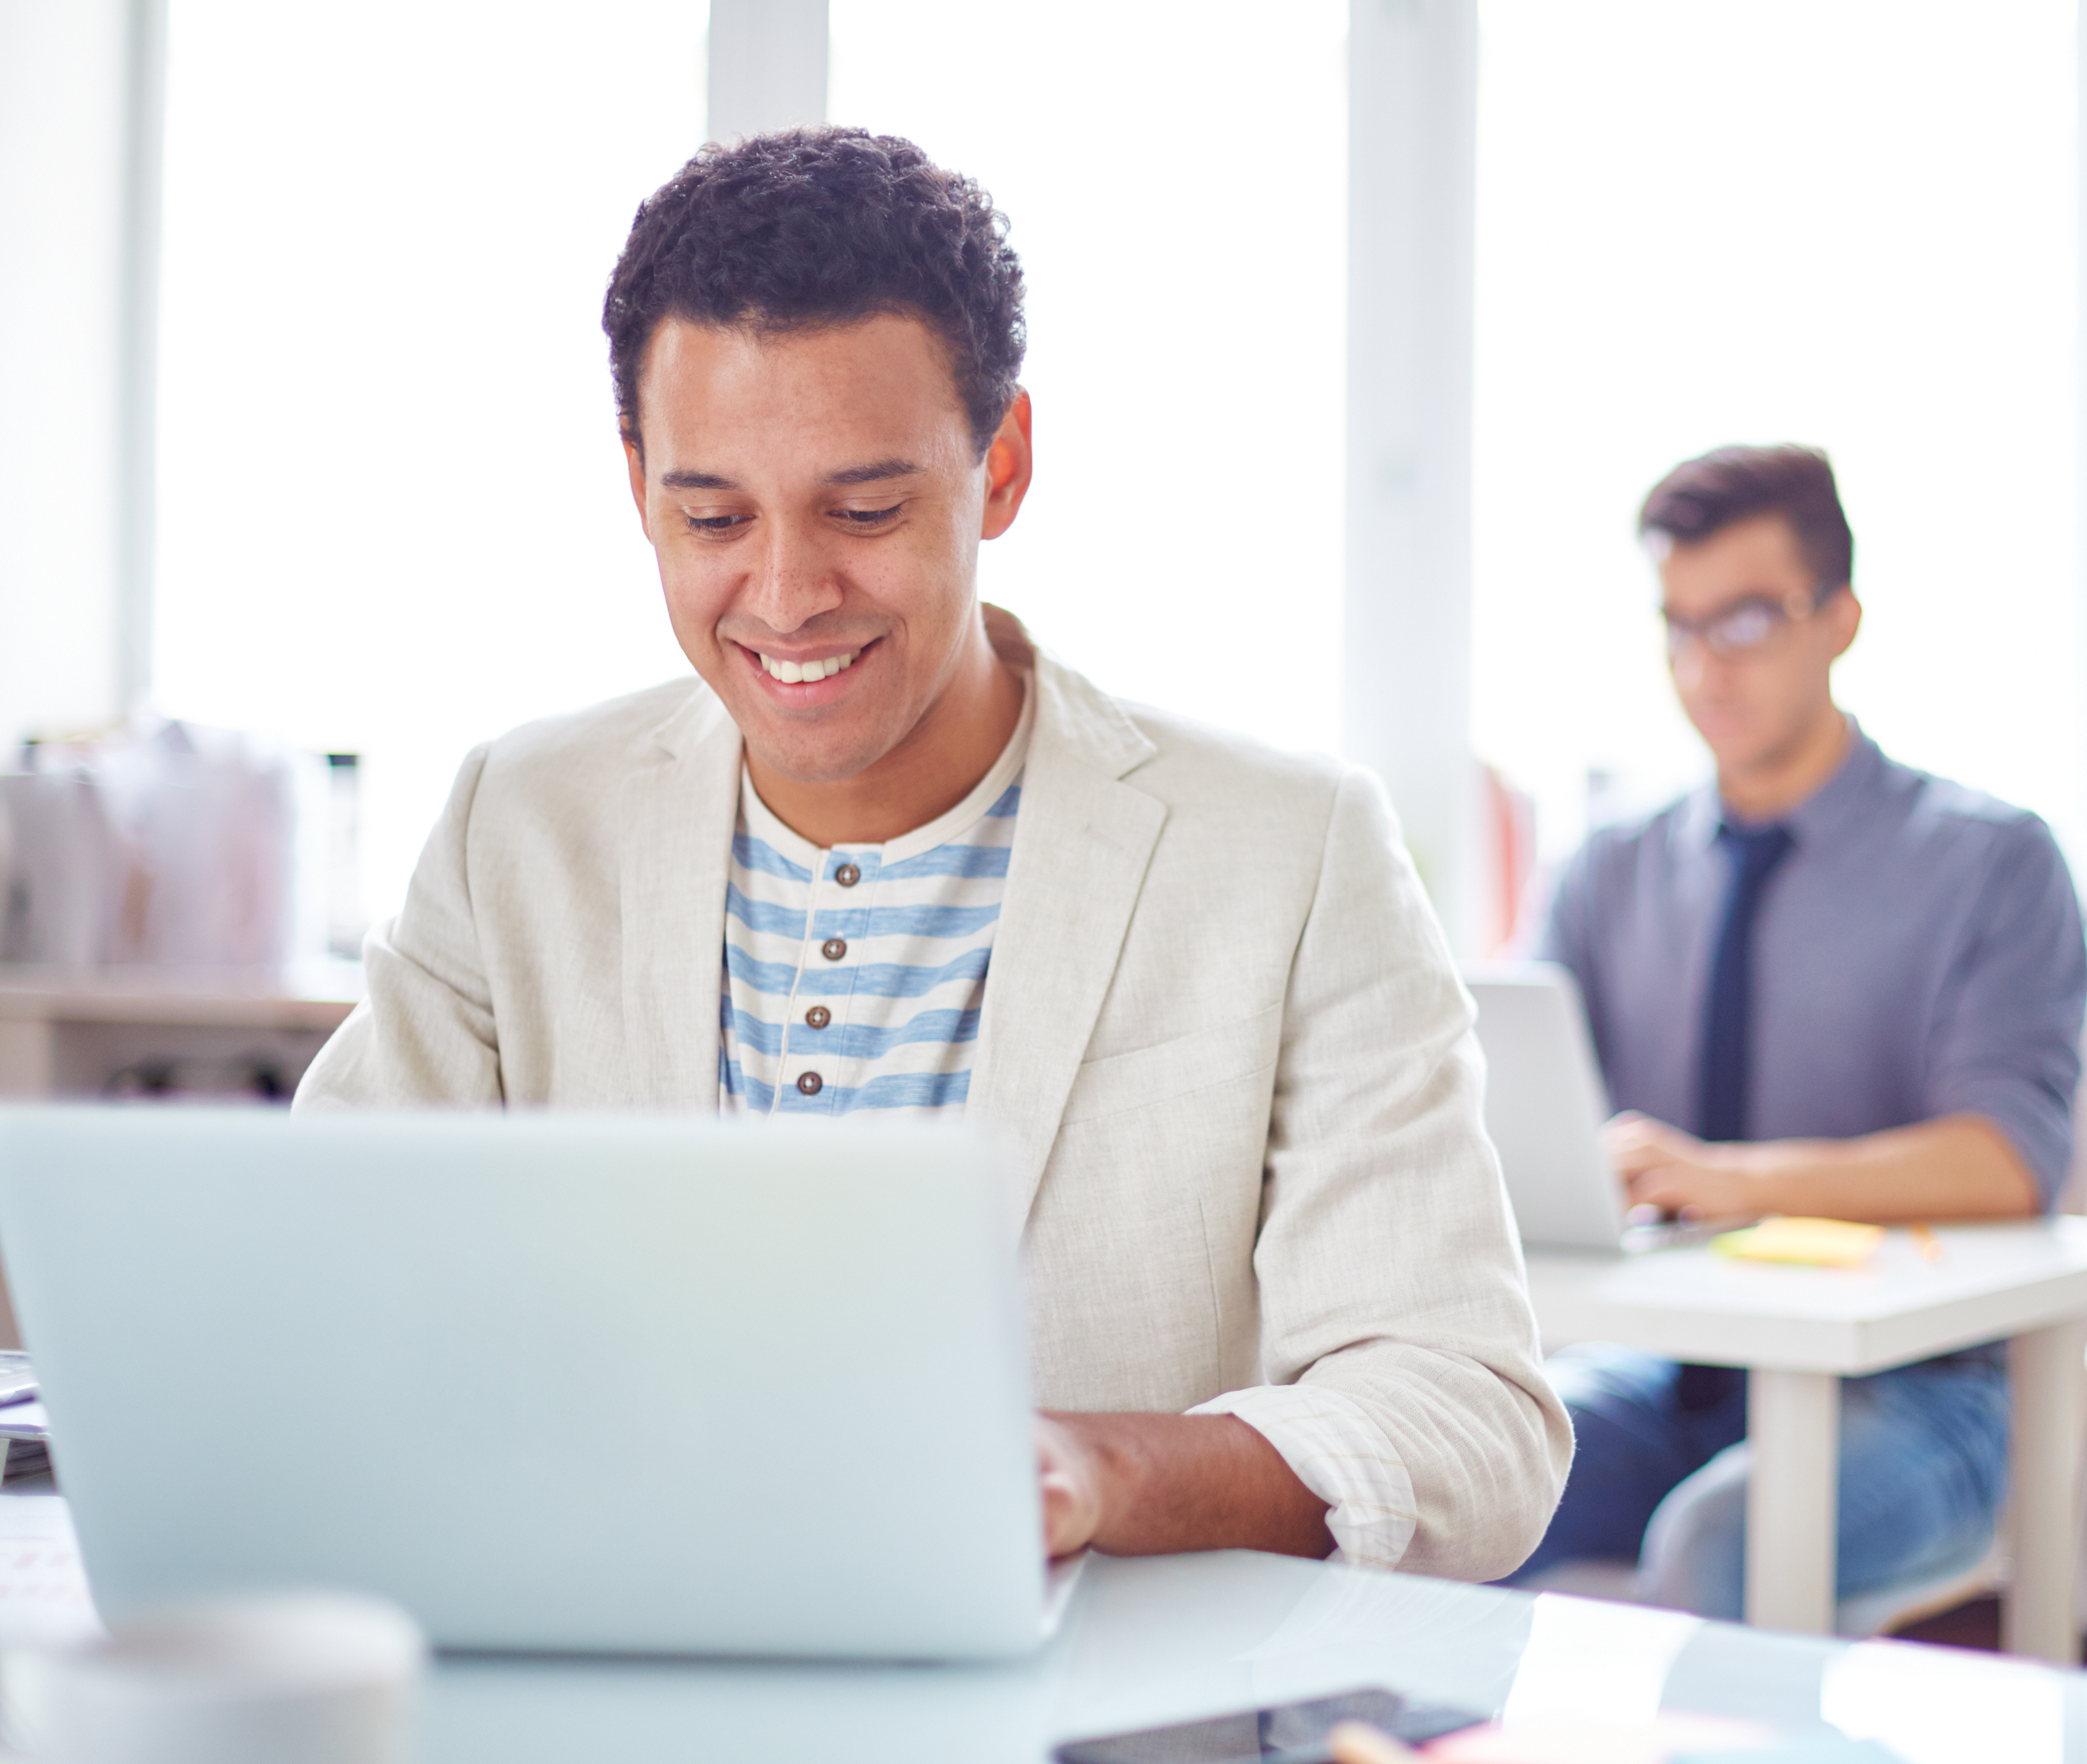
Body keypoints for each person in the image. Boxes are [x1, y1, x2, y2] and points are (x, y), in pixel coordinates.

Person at [292, 128, 1569, 1581]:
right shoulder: (518, 823)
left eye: (866, 510)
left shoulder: (1283, 851)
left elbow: (1469, 1417)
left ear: (1001, 463)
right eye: (711, 515)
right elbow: (325, 1283)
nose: (784, 595)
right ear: (638, 482)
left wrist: (1095, 1471)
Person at [1511, 445, 2087, 1619]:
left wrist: (1725, 1179)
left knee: (1716, 1545)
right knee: (1444, 1494)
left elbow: (2005, 1159)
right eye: (1678, 625)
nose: (1701, 668)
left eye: (1744, 622)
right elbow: (1514, 1105)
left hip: (1916, 1393)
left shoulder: (1989, 861)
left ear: (1840, 620)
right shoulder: (1607, 872)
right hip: (1672, 1371)